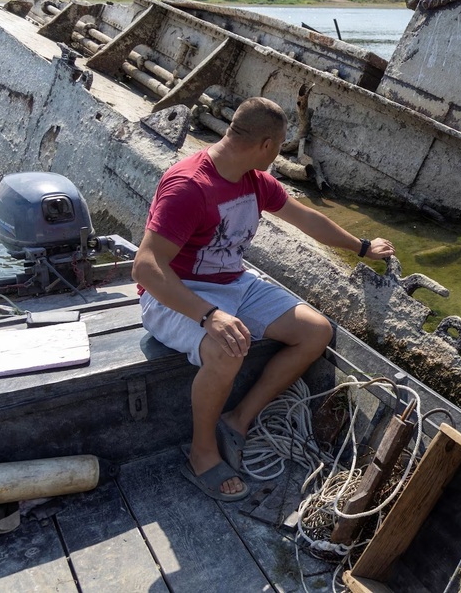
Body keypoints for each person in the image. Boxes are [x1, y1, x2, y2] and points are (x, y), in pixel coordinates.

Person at [132, 97, 394, 501]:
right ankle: (202, 451)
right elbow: (147, 269)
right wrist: (209, 316)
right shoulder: (188, 186)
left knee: (315, 332)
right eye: (281, 146)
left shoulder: (254, 180)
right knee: (227, 349)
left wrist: (362, 246)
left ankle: (237, 420)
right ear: (267, 145)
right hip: (175, 294)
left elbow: (306, 219)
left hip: (233, 282)